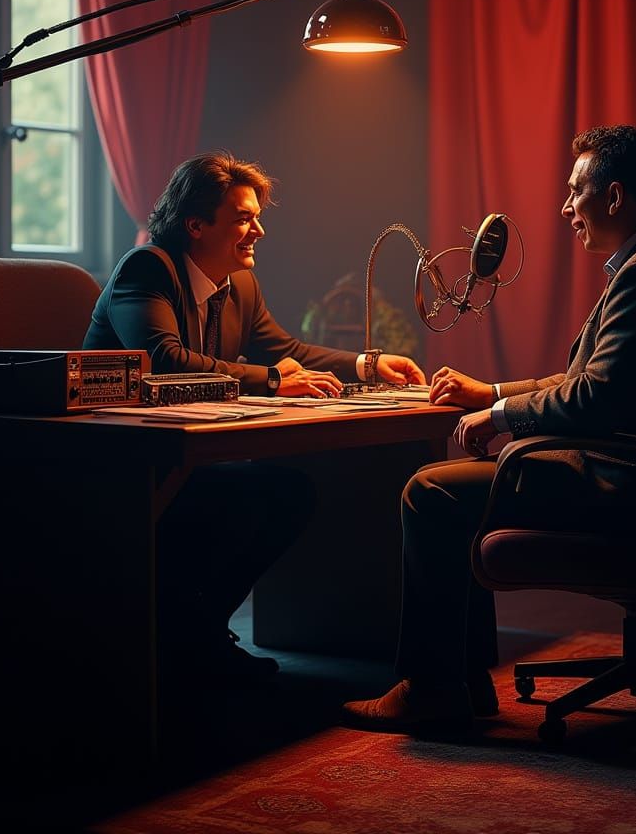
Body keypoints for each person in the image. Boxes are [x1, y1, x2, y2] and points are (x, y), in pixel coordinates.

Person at [341, 124, 636, 731]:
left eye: (575, 190)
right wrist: (495, 393)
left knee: (432, 491)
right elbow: (591, 380)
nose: (565, 208)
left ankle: (433, 689)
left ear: (613, 196)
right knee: (454, 487)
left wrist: (502, 418)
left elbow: (597, 399)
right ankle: (463, 683)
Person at [85, 150, 426, 683]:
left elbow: (285, 349)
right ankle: (172, 636)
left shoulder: (239, 284)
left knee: (289, 493)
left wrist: (370, 363)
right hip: (123, 465)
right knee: (255, 498)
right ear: (195, 225)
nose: (258, 230)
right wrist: (270, 380)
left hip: (185, 457)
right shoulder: (147, 267)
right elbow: (165, 360)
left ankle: (193, 631)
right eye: (243, 218)